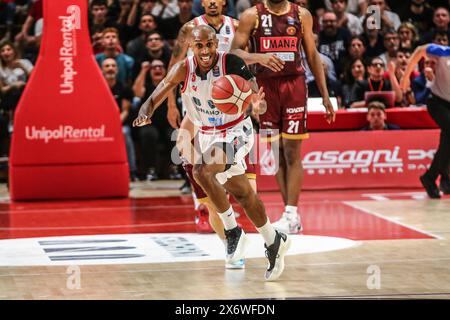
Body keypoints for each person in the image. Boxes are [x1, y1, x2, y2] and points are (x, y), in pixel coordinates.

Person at [134, 25, 291, 281]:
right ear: (191, 47)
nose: (205, 51)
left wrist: (257, 104)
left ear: (216, 44)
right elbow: (157, 93)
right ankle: (274, 241)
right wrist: (146, 112)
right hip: (207, 134)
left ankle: (232, 232)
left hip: (236, 131)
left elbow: (253, 93)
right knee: (243, 194)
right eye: (200, 46)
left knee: (201, 170)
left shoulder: (231, 61)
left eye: (209, 44)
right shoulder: (183, 69)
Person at [165, 0, 257, 267]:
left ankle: (252, 234)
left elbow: (247, 65)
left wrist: (254, 99)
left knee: (248, 190)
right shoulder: (189, 29)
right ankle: (230, 246)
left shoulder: (237, 27)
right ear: (202, 2)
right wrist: (171, 103)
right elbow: (174, 65)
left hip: (231, 113)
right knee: (207, 187)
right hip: (197, 110)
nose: (213, 2)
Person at [231, 0, 336, 234]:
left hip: (294, 86)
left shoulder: (302, 15)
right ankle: (291, 215)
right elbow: (233, 54)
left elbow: (312, 54)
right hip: (265, 88)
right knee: (276, 151)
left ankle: (291, 212)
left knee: (291, 150)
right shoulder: (251, 16)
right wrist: (259, 58)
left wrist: (325, 95)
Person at [401, 44, 450, 199]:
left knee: (447, 140)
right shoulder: (443, 53)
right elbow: (419, 50)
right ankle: (435, 176)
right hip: (438, 102)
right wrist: (405, 77)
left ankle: (441, 177)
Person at [101, 58, 138, 181]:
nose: (110, 68)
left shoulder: (124, 88)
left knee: (125, 133)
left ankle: (132, 171)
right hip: (100, 123)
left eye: (113, 66)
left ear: (117, 69)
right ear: (102, 69)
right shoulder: (97, 86)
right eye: (107, 66)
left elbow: (125, 111)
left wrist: (114, 125)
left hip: (119, 123)